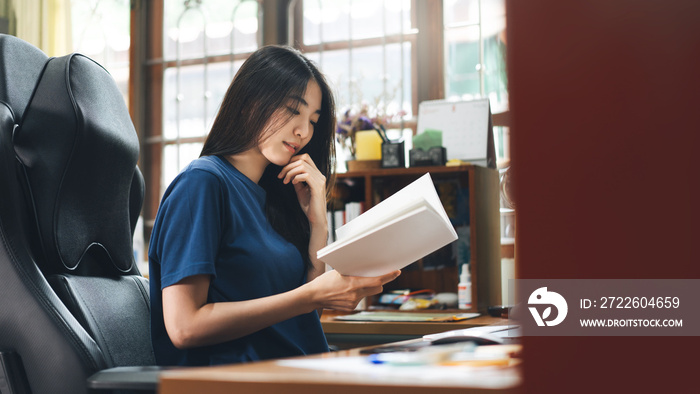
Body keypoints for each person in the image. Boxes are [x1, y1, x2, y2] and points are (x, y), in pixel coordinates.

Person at [148, 45, 401, 367]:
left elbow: (305, 316)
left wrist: (318, 223)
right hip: (238, 381)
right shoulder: (203, 183)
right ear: (249, 103)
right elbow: (185, 327)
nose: (304, 131)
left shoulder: (274, 196)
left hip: (300, 372)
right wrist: (311, 296)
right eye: (294, 110)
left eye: (313, 120)